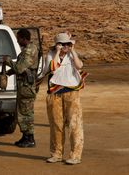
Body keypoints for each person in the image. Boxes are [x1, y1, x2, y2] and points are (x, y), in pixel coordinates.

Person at [43, 32, 87, 165]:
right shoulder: (50, 55)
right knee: (56, 124)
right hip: (55, 93)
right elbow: (53, 69)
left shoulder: (72, 55)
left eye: (67, 44)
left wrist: (73, 51)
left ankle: (75, 155)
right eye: (62, 44)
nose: (65, 46)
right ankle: (56, 154)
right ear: (57, 45)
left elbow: (79, 66)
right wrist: (57, 52)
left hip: (72, 92)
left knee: (75, 124)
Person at [3, 28, 39, 147]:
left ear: (24, 38)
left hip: (26, 87)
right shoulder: (28, 50)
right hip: (23, 86)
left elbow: (20, 68)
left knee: (26, 113)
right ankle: (26, 137)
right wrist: (10, 72)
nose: (18, 41)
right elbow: (21, 68)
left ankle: (29, 139)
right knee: (23, 112)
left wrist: (8, 61)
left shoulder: (29, 50)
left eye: (18, 39)